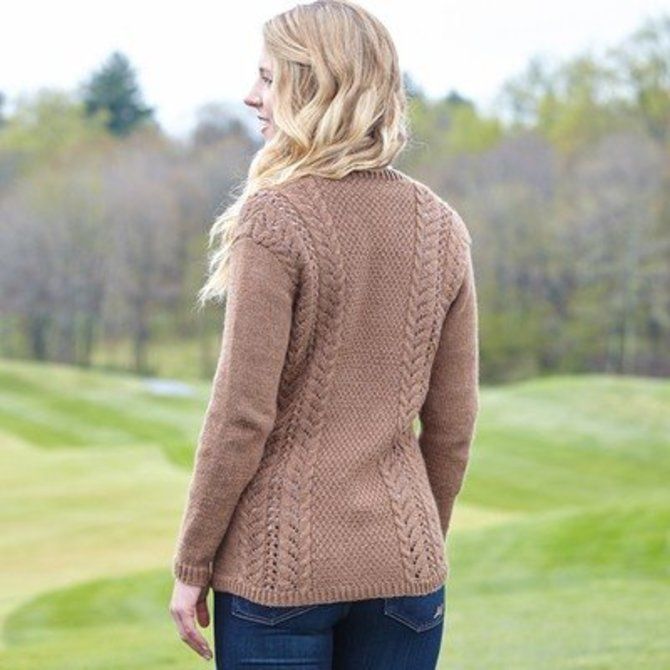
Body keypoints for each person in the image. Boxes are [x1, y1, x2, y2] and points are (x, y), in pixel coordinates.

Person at [168, 1, 480, 668]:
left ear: (315, 88)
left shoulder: (275, 218)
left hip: (279, 577)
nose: (251, 96)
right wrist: (415, 544)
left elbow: (240, 417)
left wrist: (193, 561)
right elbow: (453, 425)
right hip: (408, 572)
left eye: (267, 78)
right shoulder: (442, 226)